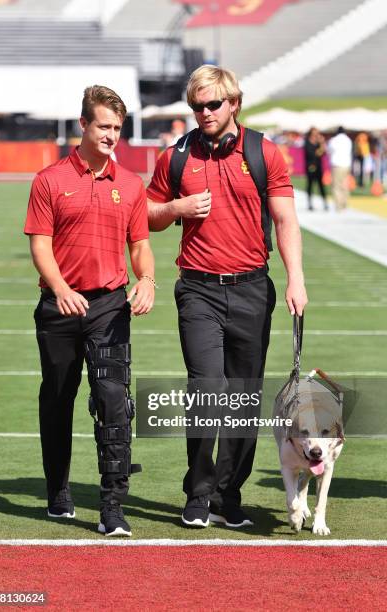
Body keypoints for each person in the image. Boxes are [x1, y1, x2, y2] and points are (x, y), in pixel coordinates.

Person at [146, 65, 307, 528]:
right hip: (197, 289)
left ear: (234, 103)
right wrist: (176, 208)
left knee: (242, 398)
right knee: (206, 392)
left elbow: (285, 221)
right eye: (197, 106)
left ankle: (227, 493)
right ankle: (197, 493)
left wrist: (296, 278)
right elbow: (148, 215)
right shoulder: (175, 156)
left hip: (253, 288)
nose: (205, 113)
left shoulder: (264, 152)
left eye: (213, 104)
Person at [24, 85, 155, 537]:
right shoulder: (49, 180)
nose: (111, 135)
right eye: (104, 126)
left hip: (109, 307)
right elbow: (39, 244)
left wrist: (148, 280)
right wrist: (60, 288)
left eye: (118, 128)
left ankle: (113, 505)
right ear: (83, 124)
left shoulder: (132, 184)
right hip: (58, 307)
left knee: (114, 400)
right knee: (57, 400)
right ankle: (58, 490)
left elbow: (140, 245)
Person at [328, 126, 353, 211]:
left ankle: (338, 206)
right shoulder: (348, 140)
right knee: (345, 184)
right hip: (346, 164)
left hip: (337, 164)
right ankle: (344, 204)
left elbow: (329, 151)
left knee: (336, 186)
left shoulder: (334, 140)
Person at [304, 127, 328, 211]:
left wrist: (322, 144)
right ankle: (310, 203)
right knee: (310, 185)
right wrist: (321, 147)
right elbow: (313, 154)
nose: (316, 135)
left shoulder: (318, 143)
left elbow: (323, 152)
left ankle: (325, 203)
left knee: (321, 185)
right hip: (310, 167)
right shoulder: (307, 142)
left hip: (318, 167)